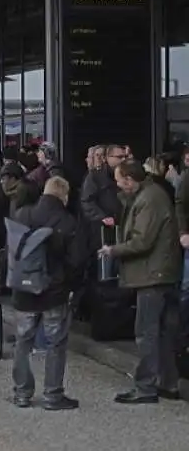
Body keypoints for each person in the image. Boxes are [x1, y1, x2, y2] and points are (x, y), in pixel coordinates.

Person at [100, 160, 182, 403]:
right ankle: (167, 383)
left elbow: (142, 240)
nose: (117, 185)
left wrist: (113, 250)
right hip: (163, 273)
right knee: (164, 333)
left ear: (128, 179)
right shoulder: (150, 195)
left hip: (152, 275)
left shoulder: (149, 199)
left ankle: (146, 386)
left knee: (147, 332)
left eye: (118, 180)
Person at [10, 177, 88, 410]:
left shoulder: (22, 214)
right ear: (63, 195)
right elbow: (77, 260)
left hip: (24, 290)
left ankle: (22, 393)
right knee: (56, 342)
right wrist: (71, 286)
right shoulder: (68, 221)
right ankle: (53, 395)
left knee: (23, 341)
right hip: (54, 291)